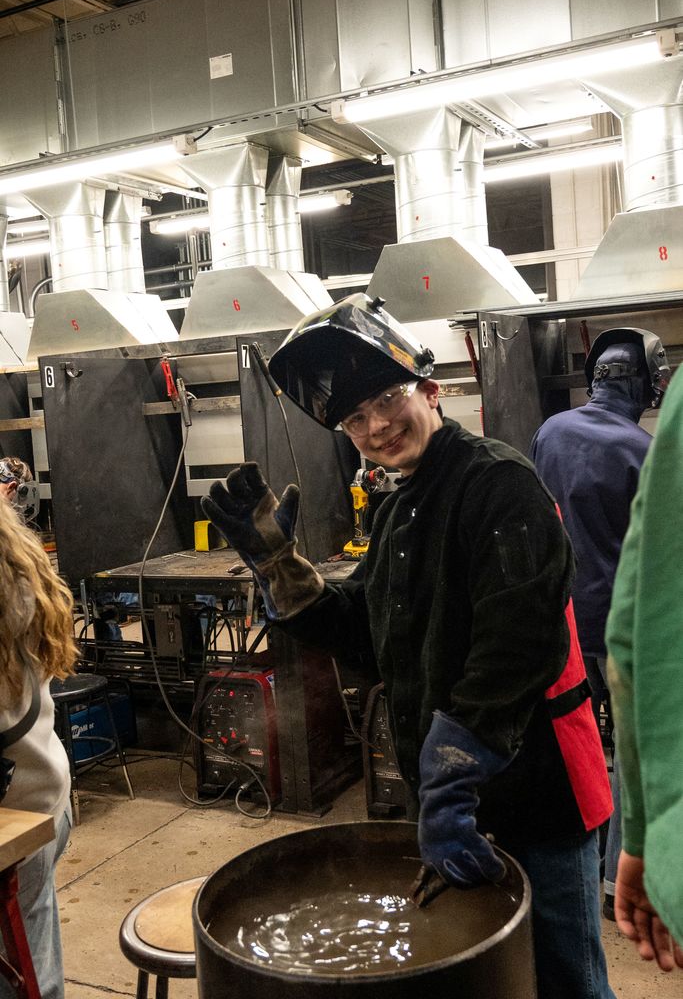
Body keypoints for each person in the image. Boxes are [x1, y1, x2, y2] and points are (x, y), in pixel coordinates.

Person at [202, 293, 615, 999]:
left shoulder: (499, 485)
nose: (376, 427)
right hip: (451, 793)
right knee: (491, 978)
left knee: (562, 978)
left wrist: (451, 781)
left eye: (387, 399)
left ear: (431, 388)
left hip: (535, 786)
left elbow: (516, 651)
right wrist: (283, 573)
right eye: (354, 418)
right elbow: (370, 632)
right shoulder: (400, 504)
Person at [529, 327, 670, 919]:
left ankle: (572, 874)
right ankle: (619, 882)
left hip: (556, 627)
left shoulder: (548, 433)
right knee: (623, 752)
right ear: (647, 384)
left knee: (572, 746)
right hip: (618, 632)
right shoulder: (645, 452)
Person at [605, 363, 683, 973]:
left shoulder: (548, 432)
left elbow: (634, 640)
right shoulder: (639, 442)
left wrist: (646, 837)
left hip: (575, 632)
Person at [0, 495, 78, 999]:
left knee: (23, 978)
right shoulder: (14, 566)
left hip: (19, 819)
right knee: (33, 955)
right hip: (43, 796)